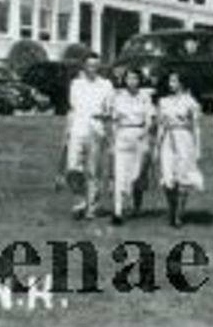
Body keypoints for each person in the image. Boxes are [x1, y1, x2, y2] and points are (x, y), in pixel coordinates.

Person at [63, 58, 113, 218]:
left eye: (96, 65)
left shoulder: (106, 85)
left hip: (97, 128)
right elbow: (73, 108)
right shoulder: (76, 84)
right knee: (73, 168)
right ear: (84, 66)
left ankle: (93, 206)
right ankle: (80, 201)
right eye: (90, 65)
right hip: (78, 128)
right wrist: (68, 130)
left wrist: (104, 116)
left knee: (93, 170)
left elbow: (110, 109)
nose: (93, 68)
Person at [106, 66, 157, 223]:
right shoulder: (118, 97)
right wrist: (112, 141)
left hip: (140, 136)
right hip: (123, 136)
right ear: (124, 80)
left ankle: (136, 207)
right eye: (129, 78)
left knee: (138, 175)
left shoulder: (145, 97)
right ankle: (118, 211)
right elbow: (114, 121)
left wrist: (146, 131)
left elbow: (151, 119)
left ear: (139, 80)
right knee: (120, 174)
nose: (132, 81)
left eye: (135, 78)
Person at [154, 71, 204, 228]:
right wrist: (157, 146)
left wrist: (198, 148)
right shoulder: (163, 102)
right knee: (168, 176)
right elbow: (160, 126)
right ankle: (172, 207)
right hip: (168, 139)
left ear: (182, 83)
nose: (171, 84)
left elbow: (196, 127)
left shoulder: (191, 103)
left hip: (184, 139)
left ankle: (178, 215)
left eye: (174, 81)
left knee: (183, 175)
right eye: (170, 81)